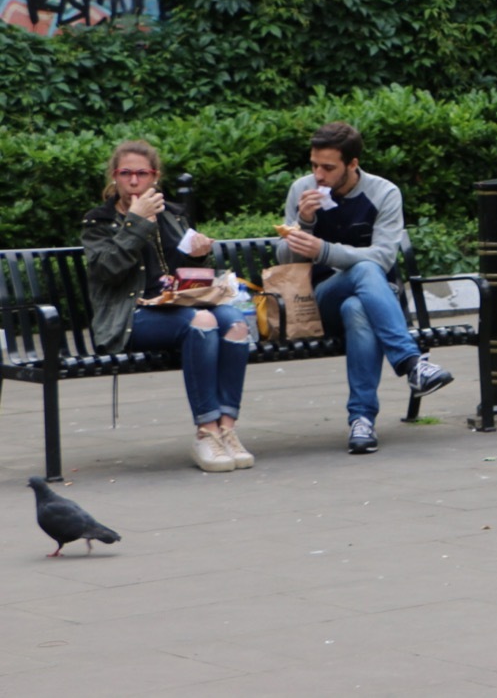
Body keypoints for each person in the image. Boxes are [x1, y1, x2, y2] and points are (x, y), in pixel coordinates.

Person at [275, 121, 453, 454]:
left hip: (375, 300)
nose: (318, 175)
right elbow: (285, 260)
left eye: (328, 168)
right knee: (365, 268)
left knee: (358, 306)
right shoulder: (302, 189)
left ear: (352, 164)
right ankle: (412, 363)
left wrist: (325, 251)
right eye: (314, 165)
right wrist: (305, 223)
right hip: (321, 300)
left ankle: (361, 420)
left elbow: (384, 258)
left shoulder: (384, 193)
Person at [82, 140, 252, 472]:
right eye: (125, 173)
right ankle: (206, 432)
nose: (134, 181)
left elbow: (183, 272)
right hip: (129, 316)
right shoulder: (98, 221)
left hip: (177, 305)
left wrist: (199, 255)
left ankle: (227, 429)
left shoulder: (172, 214)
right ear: (114, 176)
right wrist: (136, 221)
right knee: (202, 322)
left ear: (155, 176)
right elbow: (107, 270)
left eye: (142, 173)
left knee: (235, 323)